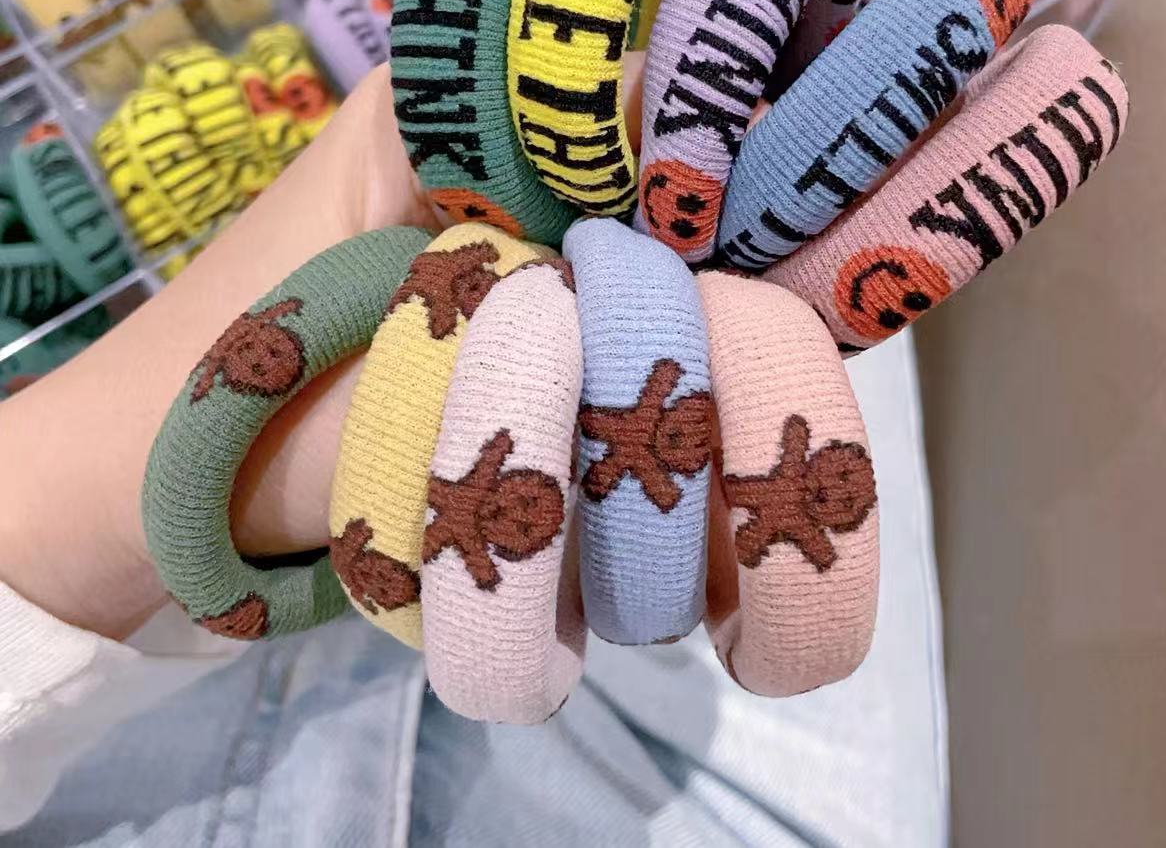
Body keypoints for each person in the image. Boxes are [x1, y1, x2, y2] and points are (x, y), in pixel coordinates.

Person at [0, 59, 947, 845]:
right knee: (833, 337)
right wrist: (109, 502)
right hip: (407, 672)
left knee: (813, 315)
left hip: (465, 617)